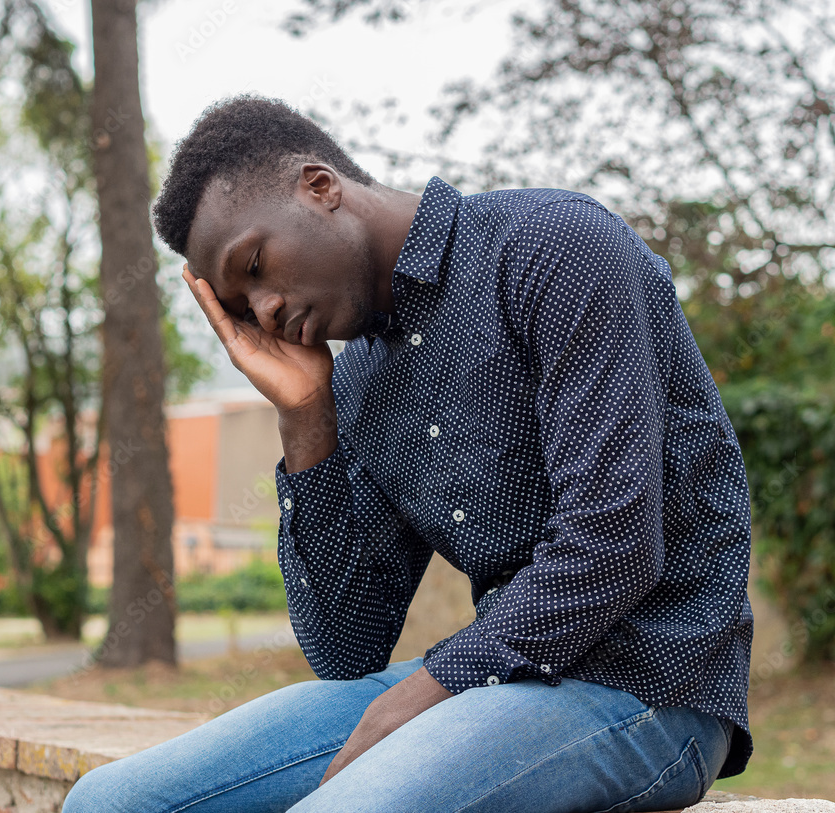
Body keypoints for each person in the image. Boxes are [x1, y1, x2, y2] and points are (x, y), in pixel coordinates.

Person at [62, 95, 753, 813]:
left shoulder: (553, 246)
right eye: (242, 306)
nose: (264, 310)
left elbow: (611, 544)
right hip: (481, 685)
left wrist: (422, 693)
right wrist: (305, 420)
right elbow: (347, 650)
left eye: (257, 265)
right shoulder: (356, 378)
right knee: (108, 801)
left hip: (647, 691)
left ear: (319, 186)